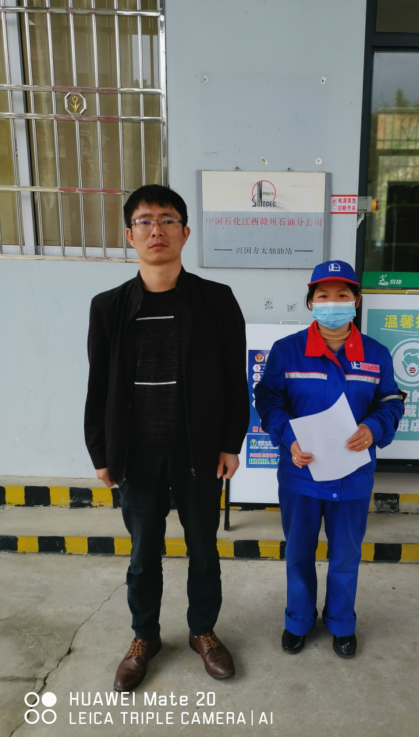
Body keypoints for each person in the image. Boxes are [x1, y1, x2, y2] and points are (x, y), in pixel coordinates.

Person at [84, 184, 249, 690]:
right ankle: (144, 637)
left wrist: (231, 442)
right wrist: (100, 451)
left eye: (167, 220)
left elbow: (234, 378)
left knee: (203, 548)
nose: (156, 230)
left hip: (198, 453)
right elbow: (98, 384)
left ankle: (203, 631)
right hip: (137, 455)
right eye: (145, 221)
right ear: (129, 235)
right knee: (142, 555)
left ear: (185, 232)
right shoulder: (109, 307)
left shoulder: (215, 300)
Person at [254, 260, 404, 658]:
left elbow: (391, 401)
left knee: (345, 556)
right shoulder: (288, 351)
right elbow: (267, 400)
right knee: (299, 552)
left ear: (356, 301)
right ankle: (298, 620)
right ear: (311, 302)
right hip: (301, 473)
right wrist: (288, 437)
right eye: (323, 295)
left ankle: (340, 622)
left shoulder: (376, 354)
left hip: (352, 476)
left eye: (342, 295)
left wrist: (375, 426)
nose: (332, 302)